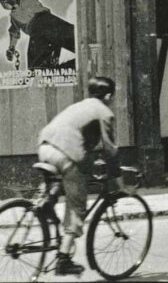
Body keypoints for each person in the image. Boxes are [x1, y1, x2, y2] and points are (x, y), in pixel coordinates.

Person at [37, 76, 119, 276]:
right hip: (67, 155)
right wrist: (119, 181)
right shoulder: (104, 112)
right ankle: (64, 259)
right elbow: (110, 150)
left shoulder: (80, 106)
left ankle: (47, 201)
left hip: (45, 147)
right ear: (108, 96)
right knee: (77, 206)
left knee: (64, 180)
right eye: (112, 97)